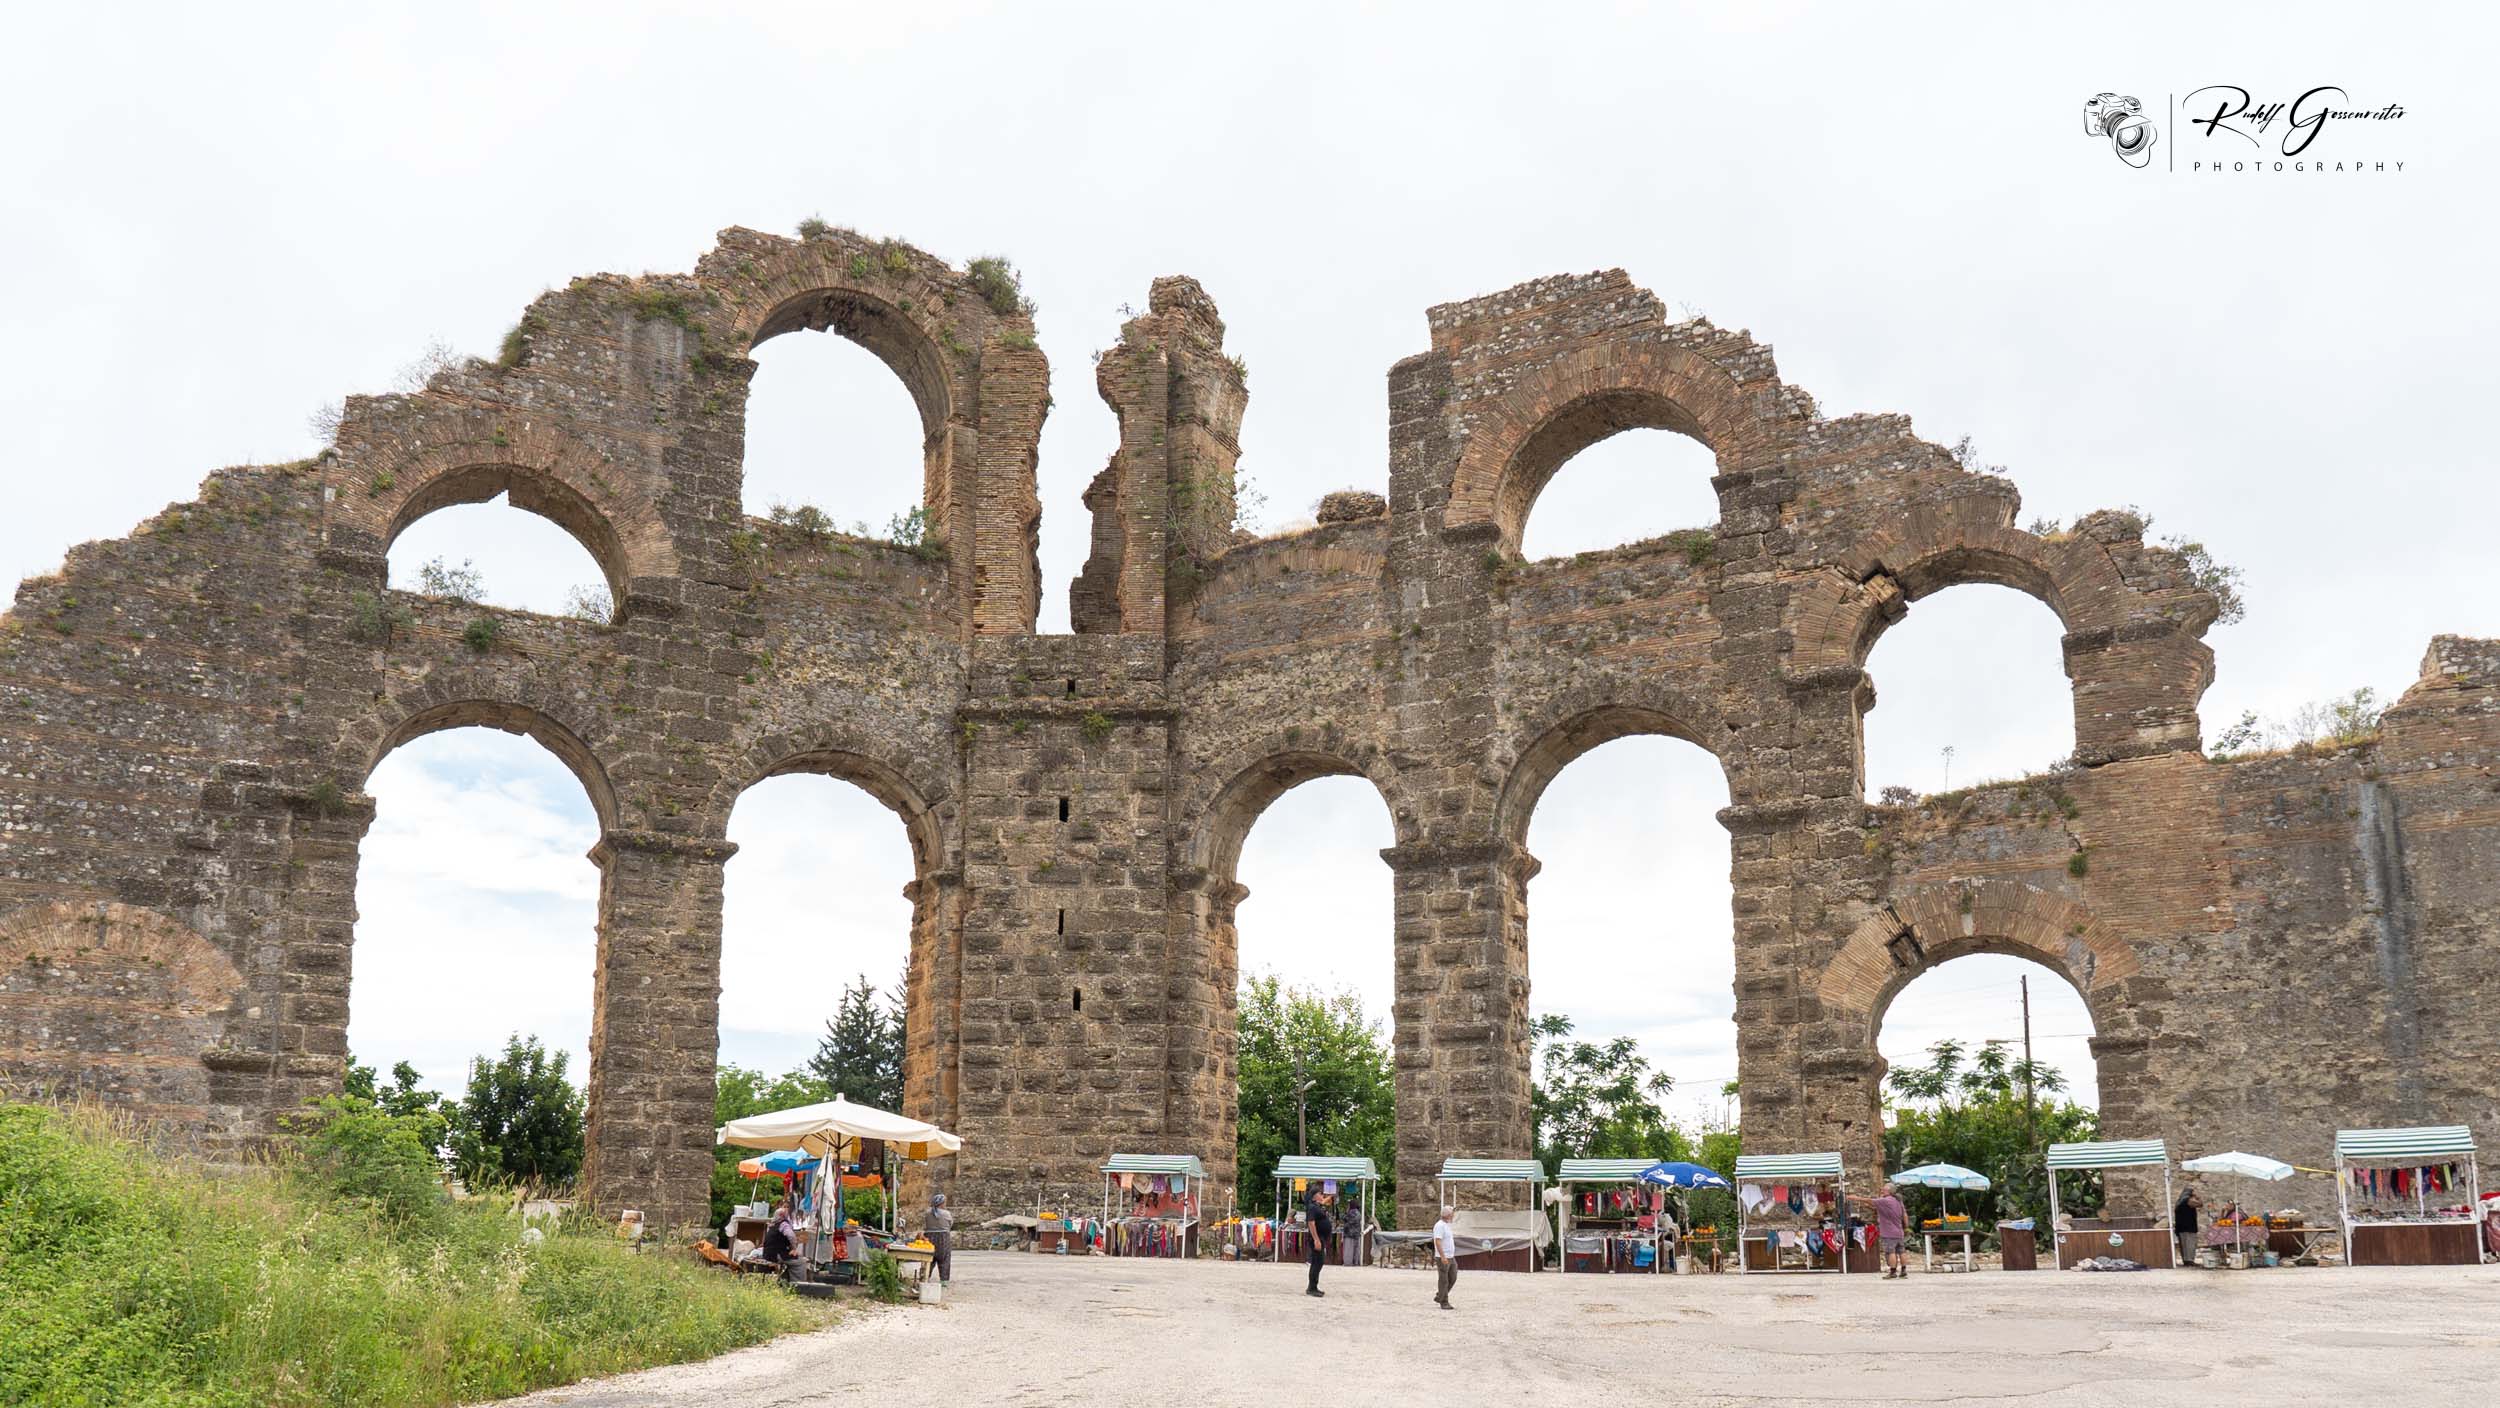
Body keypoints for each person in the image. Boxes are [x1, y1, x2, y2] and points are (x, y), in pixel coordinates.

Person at [1856, 1187, 1909, 1279]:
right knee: (1901, 1251)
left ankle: (1893, 1272)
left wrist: (1855, 1198)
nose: (1881, 1191)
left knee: (1891, 1252)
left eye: (1883, 1190)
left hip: (1889, 1232)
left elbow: (1869, 1200)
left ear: (1889, 1191)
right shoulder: (1898, 1201)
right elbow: (1904, 1215)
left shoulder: (1886, 1200)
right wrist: (1906, 1227)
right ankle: (1903, 1271)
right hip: (1899, 1231)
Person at [1302, 1189, 1336, 1297]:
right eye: (1320, 1194)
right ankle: (1311, 1287)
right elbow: (1311, 1223)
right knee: (1317, 1262)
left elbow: (1323, 1201)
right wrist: (1316, 1239)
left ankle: (1314, 1286)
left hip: (1321, 1237)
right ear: (1314, 1196)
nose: (1322, 1195)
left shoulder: (1316, 1205)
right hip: (1317, 1238)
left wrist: (1329, 1197)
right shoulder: (1312, 1207)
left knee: (1319, 1261)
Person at [1432, 1204, 1458, 1309]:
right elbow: (1437, 1242)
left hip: (1451, 1256)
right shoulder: (1439, 1226)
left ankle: (1440, 1296)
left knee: (1453, 1277)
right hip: (1444, 1257)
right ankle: (1444, 1302)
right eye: (1452, 1214)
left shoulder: (1446, 1225)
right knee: (1444, 1280)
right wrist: (1442, 1256)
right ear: (1448, 1215)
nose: (1453, 1216)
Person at [927, 1191, 954, 1286]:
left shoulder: (927, 1213)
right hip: (943, 1238)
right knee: (945, 1258)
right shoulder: (946, 1213)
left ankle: (925, 1277)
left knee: (929, 1258)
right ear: (942, 1203)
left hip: (930, 1237)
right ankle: (944, 1281)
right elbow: (950, 1224)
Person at [2173, 1188, 2202, 1268]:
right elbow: (2200, 1204)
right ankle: (2190, 1261)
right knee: (2190, 1244)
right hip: (2189, 1227)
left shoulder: (2179, 1201)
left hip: (2181, 1227)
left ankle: (2186, 1261)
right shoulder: (2188, 1200)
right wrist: (2198, 1197)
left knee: (2184, 1245)